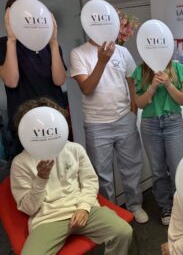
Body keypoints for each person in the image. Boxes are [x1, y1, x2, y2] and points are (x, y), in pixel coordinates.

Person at [10, 98, 133, 255]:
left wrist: (84, 207)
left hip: (81, 208)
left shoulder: (74, 149)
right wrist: (41, 179)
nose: (45, 131)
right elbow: (29, 208)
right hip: (48, 218)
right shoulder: (20, 163)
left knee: (123, 232)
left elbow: (90, 181)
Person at [70, 39, 148, 223]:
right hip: (96, 124)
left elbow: (132, 84)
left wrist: (133, 112)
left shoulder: (122, 51)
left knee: (131, 168)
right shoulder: (78, 53)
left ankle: (135, 206)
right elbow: (87, 89)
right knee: (101, 175)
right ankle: (111, 214)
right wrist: (102, 61)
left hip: (124, 119)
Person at [0, 0, 67, 160]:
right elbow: (11, 80)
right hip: (23, 122)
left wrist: (53, 42)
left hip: (53, 119)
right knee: (28, 174)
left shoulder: (50, 45)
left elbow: (59, 80)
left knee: (60, 169)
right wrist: (11, 40)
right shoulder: (3, 44)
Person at [132, 60, 183, 225]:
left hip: (173, 122)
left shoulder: (178, 68)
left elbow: (182, 100)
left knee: (178, 167)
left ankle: (181, 206)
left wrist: (169, 84)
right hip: (150, 124)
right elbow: (139, 104)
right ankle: (166, 206)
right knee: (158, 170)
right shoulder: (140, 71)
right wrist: (152, 87)